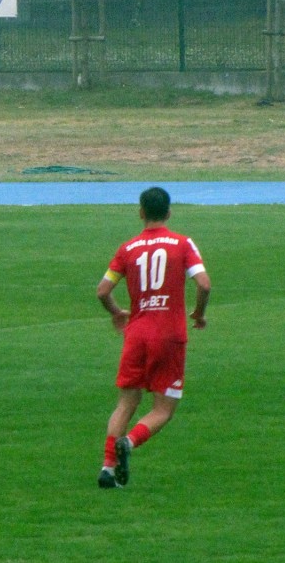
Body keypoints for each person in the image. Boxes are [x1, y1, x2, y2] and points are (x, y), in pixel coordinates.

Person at [95, 186, 211, 488]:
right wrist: (198, 313)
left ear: (141, 212)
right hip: (169, 335)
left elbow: (102, 291)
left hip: (137, 334)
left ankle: (108, 468)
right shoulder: (181, 244)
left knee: (126, 403)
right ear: (169, 212)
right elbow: (204, 284)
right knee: (163, 409)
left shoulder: (128, 248)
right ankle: (130, 443)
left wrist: (117, 313)